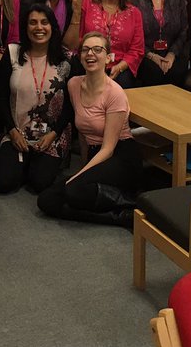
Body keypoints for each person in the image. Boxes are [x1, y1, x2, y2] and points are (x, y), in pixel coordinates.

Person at [37, 31, 140, 228]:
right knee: (46, 201)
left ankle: (133, 202)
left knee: (73, 190)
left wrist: (81, 175)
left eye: (97, 49)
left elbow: (108, 148)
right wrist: (84, 169)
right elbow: (83, 135)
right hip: (96, 155)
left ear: (108, 58)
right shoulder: (74, 84)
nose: (90, 54)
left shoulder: (115, 94)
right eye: (85, 49)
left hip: (120, 156)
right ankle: (119, 217)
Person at [0, 4, 74, 194]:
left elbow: (71, 104)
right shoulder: (13, 52)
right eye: (33, 23)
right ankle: (22, 160)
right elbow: (1, 95)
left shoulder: (66, 59)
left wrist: (54, 133)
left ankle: (34, 162)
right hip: (17, 132)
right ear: (25, 27)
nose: (39, 28)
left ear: (53, 27)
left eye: (44, 22)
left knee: (39, 183)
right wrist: (12, 131)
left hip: (52, 135)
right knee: (5, 184)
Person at [67, 0, 144, 87]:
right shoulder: (86, 3)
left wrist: (120, 67)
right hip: (87, 62)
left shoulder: (134, 12)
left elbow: (137, 50)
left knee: (121, 84)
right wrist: (92, 61)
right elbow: (75, 41)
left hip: (119, 67)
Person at [129, 0, 189, 86]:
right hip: (144, 54)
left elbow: (184, 30)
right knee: (154, 72)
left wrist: (172, 55)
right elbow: (130, 35)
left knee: (176, 73)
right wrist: (151, 55)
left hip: (172, 53)